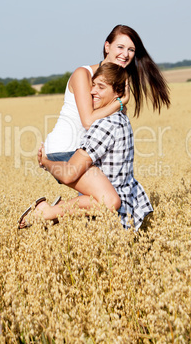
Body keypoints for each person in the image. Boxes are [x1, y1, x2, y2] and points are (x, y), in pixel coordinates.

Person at [43, 24, 170, 210]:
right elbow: (88, 120)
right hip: (64, 151)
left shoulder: (116, 82)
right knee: (108, 201)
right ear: (107, 47)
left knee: (99, 206)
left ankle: (58, 212)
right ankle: (45, 212)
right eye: (120, 47)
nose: (125, 54)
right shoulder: (83, 74)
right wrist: (119, 103)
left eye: (131, 50)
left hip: (86, 152)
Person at [18, 63, 156, 231]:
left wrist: (45, 162)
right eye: (93, 86)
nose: (92, 91)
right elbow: (72, 173)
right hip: (123, 201)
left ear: (118, 92)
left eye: (101, 87)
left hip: (114, 210)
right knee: (106, 202)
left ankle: (51, 211)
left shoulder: (107, 123)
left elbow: (69, 174)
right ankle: (53, 211)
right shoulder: (118, 119)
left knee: (104, 202)